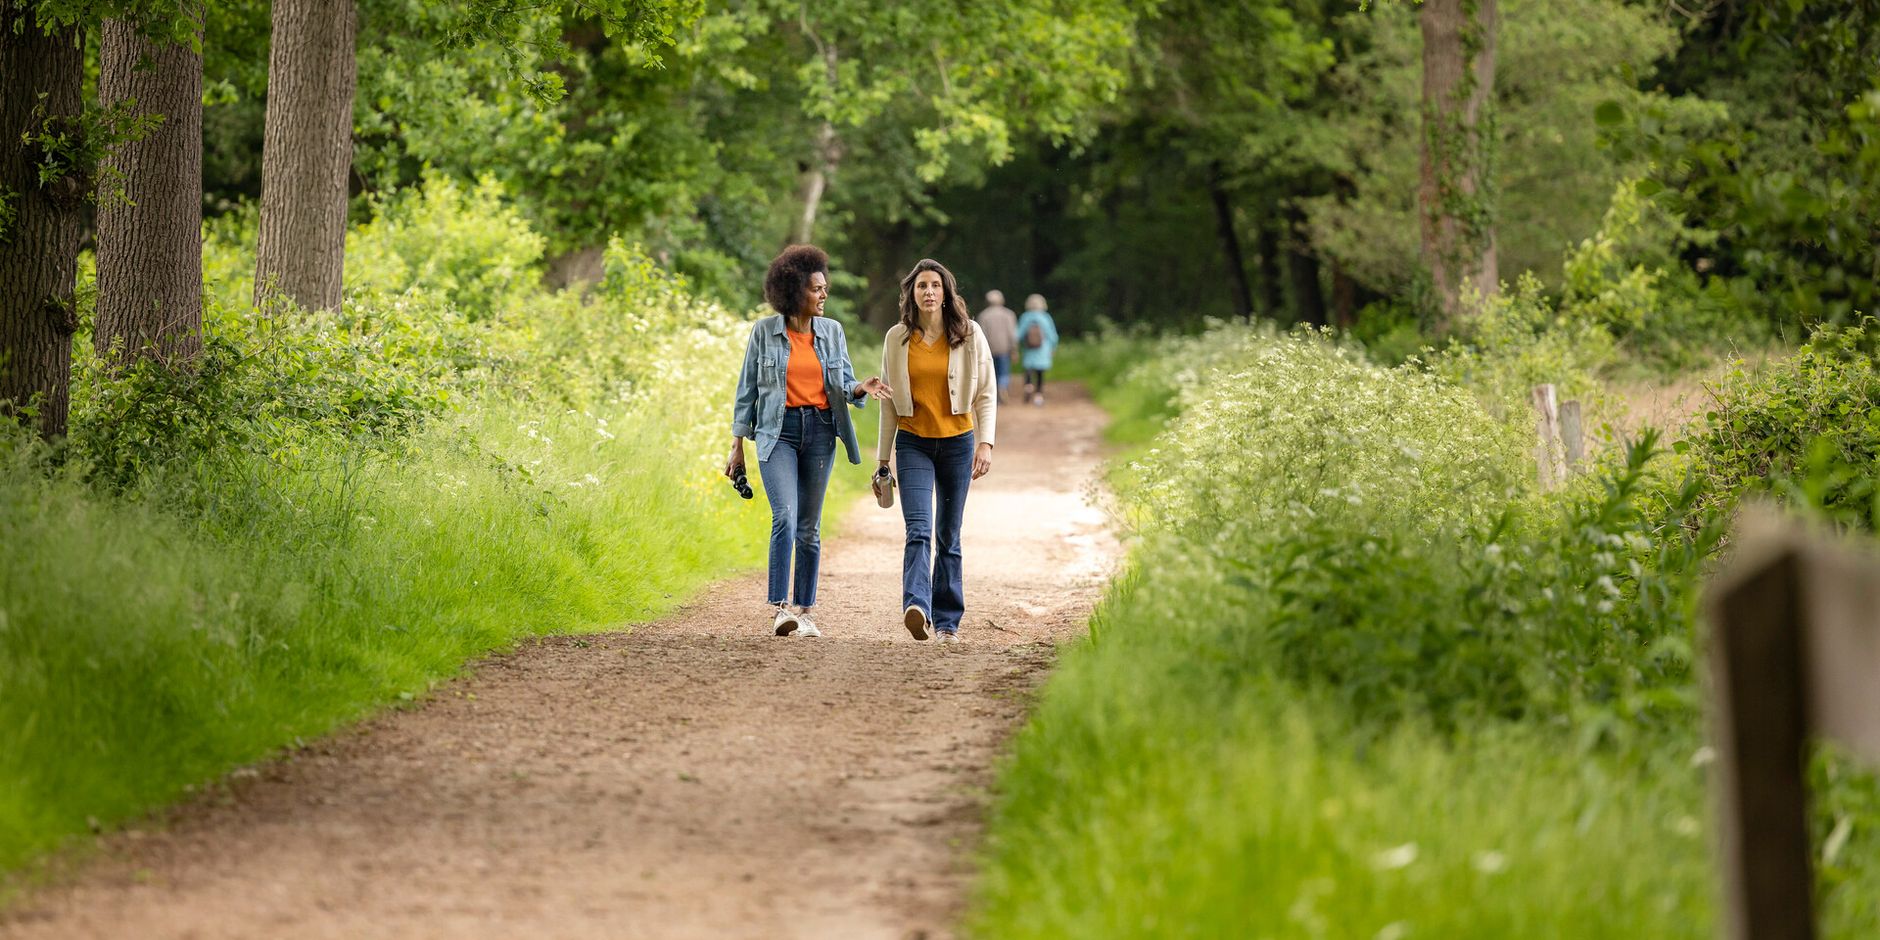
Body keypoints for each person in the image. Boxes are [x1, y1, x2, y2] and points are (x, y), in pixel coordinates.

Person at [728, 245, 892, 638]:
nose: (824, 294)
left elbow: (844, 383)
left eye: (824, 287)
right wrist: (737, 447)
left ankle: (805, 610)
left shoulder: (832, 331)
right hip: (776, 433)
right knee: (784, 516)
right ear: (794, 291)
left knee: (809, 526)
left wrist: (860, 387)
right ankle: (780, 608)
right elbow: (746, 391)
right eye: (816, 289)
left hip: (819, 432)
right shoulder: (764, 332)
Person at [877, 259, 996, 645]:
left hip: (958, 443)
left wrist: (986, 442)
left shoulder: (969, 333)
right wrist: (882, 459)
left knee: (948, 533)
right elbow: (888, 401)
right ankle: (917, 606)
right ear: (911, 294)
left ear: (946, 293)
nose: (928, 292)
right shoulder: (896, 338)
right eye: (921, 286)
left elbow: (986, 392)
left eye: (935, 285)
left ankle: (947, 622)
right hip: (913, 443)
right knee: (918, 529)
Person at [1015, 293, 1060, 406]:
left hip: (1029, 348)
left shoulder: (1025, 317)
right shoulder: (1045, 317)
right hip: (1043, 349)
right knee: (1040, 372)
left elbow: (1018, 334)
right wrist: (1053, 347)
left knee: (1028, 369)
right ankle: (1038, 396)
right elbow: (1052, 335)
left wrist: (1017, 346)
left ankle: (1028, 386)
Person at [975, 289, 1017, 404]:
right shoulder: (1008, 314)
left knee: (993, 373)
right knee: (1004, 372)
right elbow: (1012, 334)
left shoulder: (983, 315)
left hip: (989, 350)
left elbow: (981, 335)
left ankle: (996, 394)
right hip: (1004, 349)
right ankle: (1003, 386)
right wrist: (1014, 349)